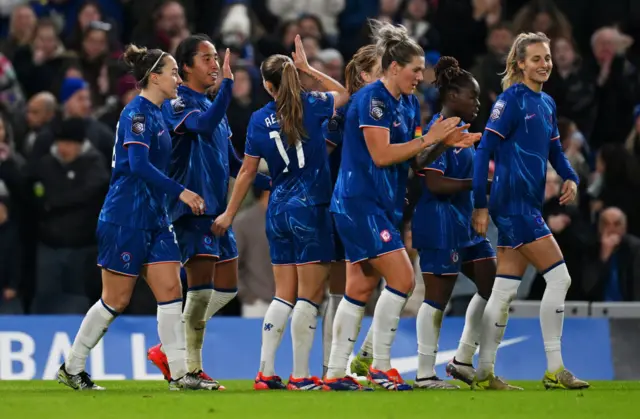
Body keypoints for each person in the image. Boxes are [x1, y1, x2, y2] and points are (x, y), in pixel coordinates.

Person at [324, 20, 471, 391]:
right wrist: (430, 138)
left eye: (423, 70)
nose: (421, 77)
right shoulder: (372, 99)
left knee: (358, 288)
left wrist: (443, 143)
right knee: (403, 278)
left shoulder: (408, 103)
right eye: (415, 70)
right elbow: (381, 154)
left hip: (383, 204)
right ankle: (380, 366)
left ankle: (336, 372)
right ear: (393, 68)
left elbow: (414, 162)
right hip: (360, 202)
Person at [57, 45, 215, 391]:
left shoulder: (158, 114)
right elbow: (139, 166)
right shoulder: (137, 115)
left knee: (172, 289)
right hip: (125, 216)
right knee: (116, 300)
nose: (177, 78)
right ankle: (72, 366)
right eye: (173, 72)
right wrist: (182, 192)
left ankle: (179, 374)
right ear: (154, 77)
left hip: (156, 217)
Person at [212, 35, 350, 390]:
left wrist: (229, 213)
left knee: (283, 295)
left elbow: (245, 172)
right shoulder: (313, 104)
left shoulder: (259, 120)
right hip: (311, 209)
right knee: (309, 296)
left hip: (277, 210)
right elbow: (345, 93)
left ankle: (265, 370)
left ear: (267, 86)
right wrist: (308, 69)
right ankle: (301, 376)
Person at [146, 34, 270, 388]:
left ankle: (168, 348)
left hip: (217, 211)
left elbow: (234, 165)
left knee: (227, 289)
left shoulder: (215, 109)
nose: (215, 65)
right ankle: (190, 370)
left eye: (217, 58)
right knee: (199, 292)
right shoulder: (178, 104)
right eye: (206, 58)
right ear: (185, 67)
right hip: (192, 210)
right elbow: (201, 125)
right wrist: (228, 87)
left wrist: (274, 180)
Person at [472, 32, 589, 390]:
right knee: (560, 277)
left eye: (548, 58)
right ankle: (555, 367)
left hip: (525, 204)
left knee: (504, 290)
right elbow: (483, 152)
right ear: (520, 63)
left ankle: (483, 370)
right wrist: (480, 203)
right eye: (536, 59)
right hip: (512, 205)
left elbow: (555, 150)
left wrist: (570, 176)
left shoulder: (547, 104)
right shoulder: (510, 102)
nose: (544, 65)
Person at [410, 56, 490, 389]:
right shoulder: (437, 131)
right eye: (472, 97)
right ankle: (425, 374)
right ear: (453, 96)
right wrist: (479, 185)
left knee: (492, 285)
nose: (477, 103)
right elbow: (434, 184)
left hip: (463, 225)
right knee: (436, 299)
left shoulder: (462, 132)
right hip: (438, 223)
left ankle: (462, 359)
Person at [320, 43, 380, 378]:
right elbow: (321, 157)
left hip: (373, 204)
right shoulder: (344, 112)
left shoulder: (383, 108)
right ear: (363, 74)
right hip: (342, 204)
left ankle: (361, 358)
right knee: (341, 289)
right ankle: (334, 365)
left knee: (383, 283)